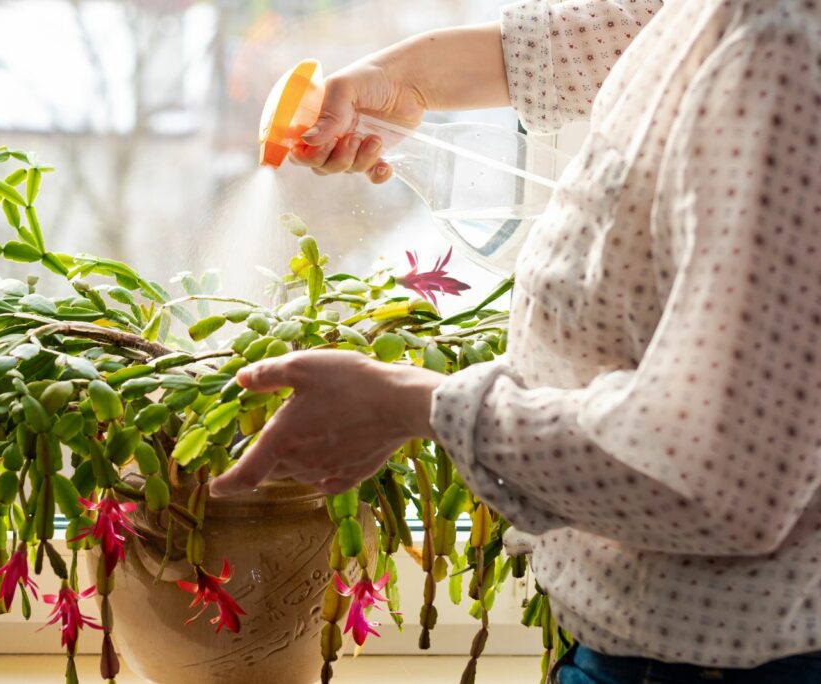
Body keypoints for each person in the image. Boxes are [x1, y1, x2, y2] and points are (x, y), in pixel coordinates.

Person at [211, 1, 821, 681]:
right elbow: (626, 32)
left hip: (720, 664)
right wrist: (401, 80)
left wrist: (414, 404)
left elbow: (719, 476)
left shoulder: (783, 55)